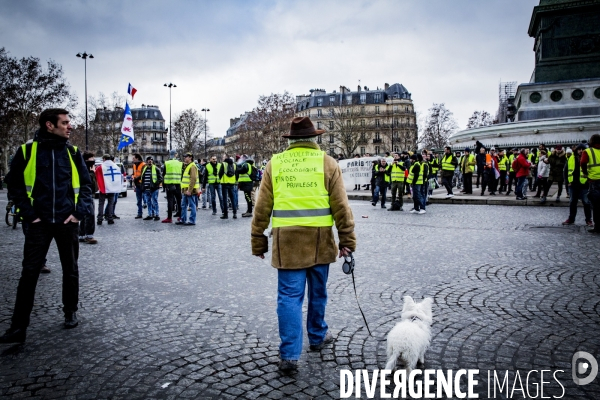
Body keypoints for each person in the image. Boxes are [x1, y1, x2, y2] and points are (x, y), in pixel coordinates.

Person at [251, 117, 356, 371]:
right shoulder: (328, 163)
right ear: (314, 139)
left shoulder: (275, 164)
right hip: (320, 241)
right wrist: (347, 240)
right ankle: (318, 336)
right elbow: (341, 206)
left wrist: (258, 240)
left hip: (287, 244)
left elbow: (262, 207)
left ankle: (289, 355)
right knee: (318, 293)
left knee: (288, 298)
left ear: (291, 140)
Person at [0, 108, 93, 343]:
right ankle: (18, 327)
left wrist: (78, 214)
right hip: (38, 223)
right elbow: (14, 185)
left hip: (66, 222)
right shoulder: (27, 151)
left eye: (69, 122)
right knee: (29, 273)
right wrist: (29, 215)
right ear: (49, 125)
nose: (70, 126)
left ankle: (70, 310)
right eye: (65, 123)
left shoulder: (73, 152)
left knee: (70, 270)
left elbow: (86, 186)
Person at [562, 144, 592, 226]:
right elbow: (566, 171)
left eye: (582, 149)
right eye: (579, 149)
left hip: (584, 184)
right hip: (573, 184)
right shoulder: (571, 158)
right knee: (572, 202)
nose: (581, 151)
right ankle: (571, 219)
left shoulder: (588, 158)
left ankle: (588, 220)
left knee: (586, 202)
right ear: (576, 150)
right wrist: (567, 182)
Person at [95, 154, 122, 225]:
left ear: (104, 159)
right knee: (111, 203)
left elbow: (96, 176)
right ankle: (110, 218)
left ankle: (100, 219)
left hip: (103, 187)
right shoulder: (116, 166)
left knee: (101, 203)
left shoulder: (100, 167)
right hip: (112, 188)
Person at [581, 134, 600, 233]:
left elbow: (583, 162)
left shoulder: (588, 151)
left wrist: (585, 173)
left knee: (596, 205)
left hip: (594, 181)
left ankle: (598, 226)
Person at [79, 151, 98, 243]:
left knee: (84, 214)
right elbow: (91, 183)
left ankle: (82, 234)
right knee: (90, 214)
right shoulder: (86, 169)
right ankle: (89, 235)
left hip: (86, 193)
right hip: (86, 194)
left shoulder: (85, 167)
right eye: (92, 158)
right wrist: (92, 173)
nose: (93, 160)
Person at [176, 152, 199, 226]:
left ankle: (192, 221)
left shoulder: (192, 166)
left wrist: (189, 190)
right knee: (183, 205)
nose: (185, 158)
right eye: (184, 157)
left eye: (186, 157)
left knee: (192, 205)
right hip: (186, 190)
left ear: (190, 158)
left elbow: (193, 179)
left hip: (190, 190)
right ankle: (183, 219)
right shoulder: (188, 166)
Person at [162, 151, 183, 223]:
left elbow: (164, 174)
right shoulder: (180, 163)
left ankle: (169, 217)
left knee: (170, 201)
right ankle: (181, 216)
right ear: (175, 155)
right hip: (178, 184)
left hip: (169, 184)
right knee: (179, 201)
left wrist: (164, 186)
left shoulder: (167, 163)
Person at [141, 156, 162, 220]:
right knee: (148, 202)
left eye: (151, 160)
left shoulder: (156, 168)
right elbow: (142, 178)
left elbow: (160, 178)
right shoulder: (144, 169)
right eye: (149, 160)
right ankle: (150, 214)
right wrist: (143, 186)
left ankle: (157, 215)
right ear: (146, 161)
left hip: (154, 189)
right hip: (146, 189)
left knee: (154, 201)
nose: (150, 161)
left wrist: (155, 185)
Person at [220, 154, 237, 219]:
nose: (222, 158)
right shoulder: (234, 164)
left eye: (223, 157)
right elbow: (236, 173)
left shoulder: (224, 164)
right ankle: (234, 213)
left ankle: (225, 214)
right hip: (232, 183)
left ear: (226, 158)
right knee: (233, 198)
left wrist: (221, 179)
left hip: (224, 183)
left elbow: (220, 173)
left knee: (225, 198)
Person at [132, 153, 146, 218]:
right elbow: (134, 173)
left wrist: (136, 178)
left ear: (137, 158)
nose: (133, 159)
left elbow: (144, 174)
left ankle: (151, 213)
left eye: (133, 158)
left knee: (146, 198)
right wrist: (133, 177)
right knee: (139, 200)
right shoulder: (134, 165)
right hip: (137, 184)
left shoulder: (143, 165)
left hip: (142, 184)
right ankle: (139, 213)